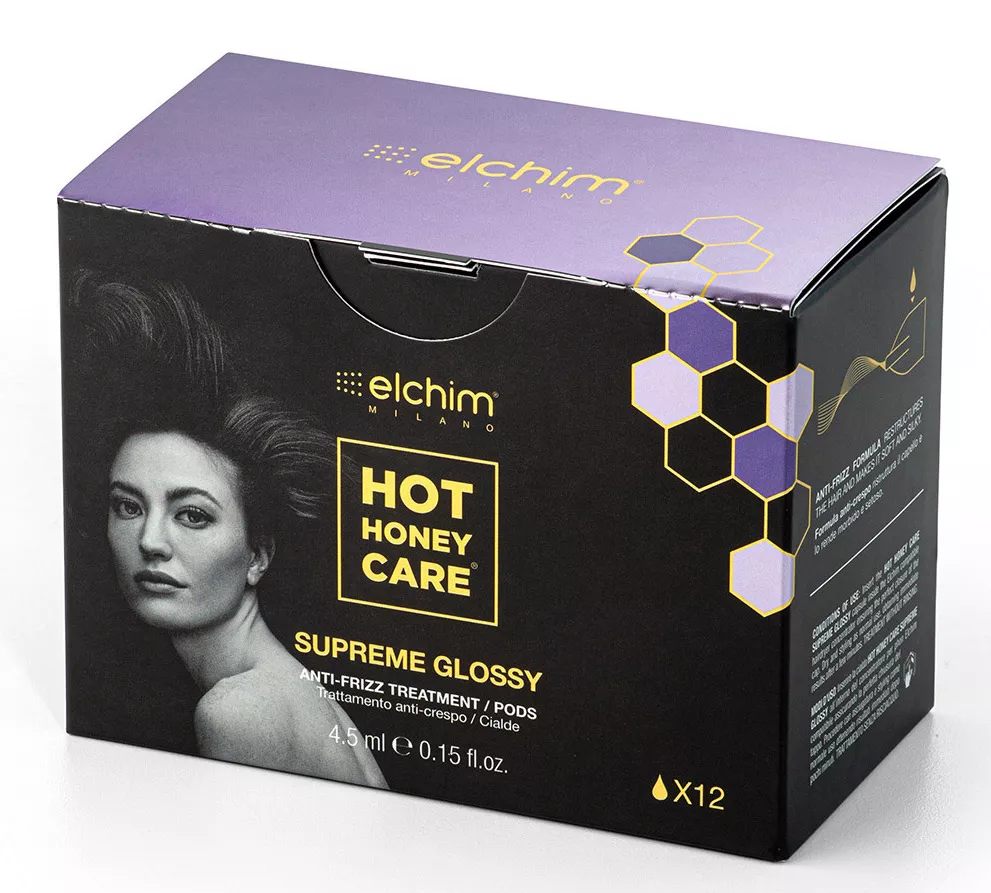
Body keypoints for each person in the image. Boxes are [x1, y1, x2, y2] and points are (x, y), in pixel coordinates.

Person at [67, 273, 387, 789]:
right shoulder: (285, 688)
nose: (150, 541)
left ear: (257, 556)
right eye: (128, 506)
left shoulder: (239, 711)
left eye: (192, 515)